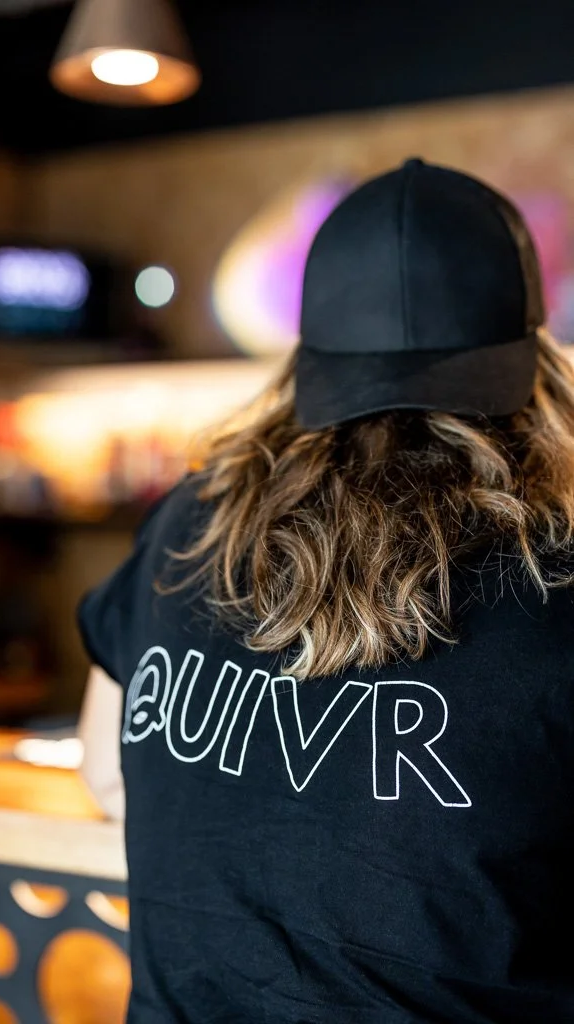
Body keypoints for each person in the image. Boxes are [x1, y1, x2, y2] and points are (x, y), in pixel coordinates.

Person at [77, 159, 574, 1023]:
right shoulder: (557, 563)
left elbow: (107, 771)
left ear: (308, 352)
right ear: (533, 357)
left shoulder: (188, 517)